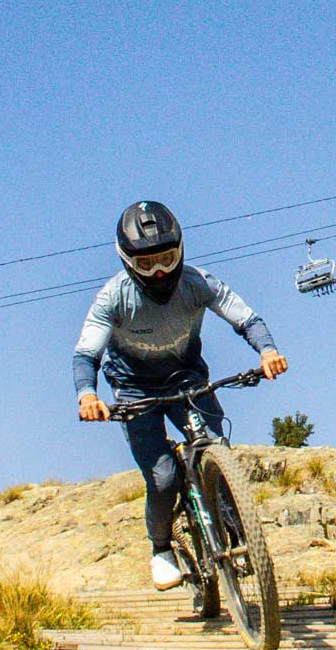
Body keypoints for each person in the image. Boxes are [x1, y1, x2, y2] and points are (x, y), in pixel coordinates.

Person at [74, 200, 288, 590]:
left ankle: (238, 533)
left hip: (186, 378)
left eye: (167, 258)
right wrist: (88, 395)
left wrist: (267, 351)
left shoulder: (197, 283)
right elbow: (87, 352)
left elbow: (245, 317)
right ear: (127, 262)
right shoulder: (113, 298)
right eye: (145, 264)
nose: (158, 271)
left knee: (214, 447)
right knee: (161, 479)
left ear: (181, 251)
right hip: (134, 387)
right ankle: (161, 547)